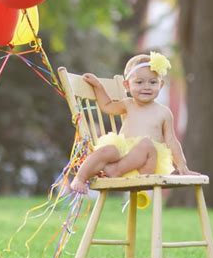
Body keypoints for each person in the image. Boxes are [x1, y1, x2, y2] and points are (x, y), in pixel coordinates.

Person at [70, 52, 200, 194]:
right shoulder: (128, 104)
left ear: (161, 85)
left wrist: (181, 165)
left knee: (146, 144)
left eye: (153, 82)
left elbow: (171, 140)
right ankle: (80, 178)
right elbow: (106, 106)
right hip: (123, 156)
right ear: (127, 85)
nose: (146, 87)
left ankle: (115, 169)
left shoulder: (164, 112)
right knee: (108, 149)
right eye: (139, 82)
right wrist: (98, 87)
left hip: (143, 167)